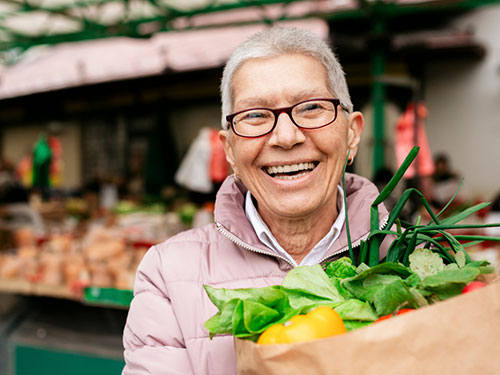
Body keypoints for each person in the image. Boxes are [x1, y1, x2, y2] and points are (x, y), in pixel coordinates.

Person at [122, 26, 391, 374]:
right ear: (230, 149)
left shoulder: (416, 257)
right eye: (255, 116)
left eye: (310, 108)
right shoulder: (168, 272)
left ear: (352, 133)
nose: (286, 136)